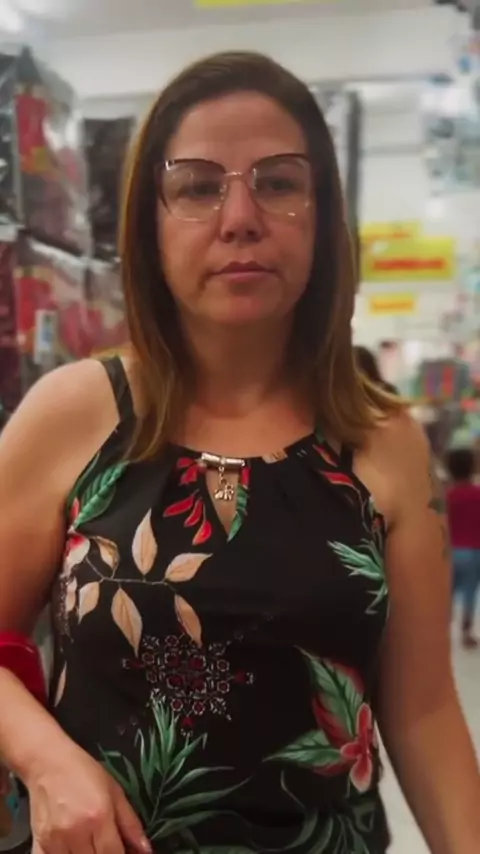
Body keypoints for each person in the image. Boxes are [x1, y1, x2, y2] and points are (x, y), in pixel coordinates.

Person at [0, 51, 478, 854]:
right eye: (197, 187)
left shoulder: (381, 441)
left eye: (279, 182)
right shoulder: (76, 415)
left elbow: (425, 713)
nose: (241, 217)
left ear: (323, 218)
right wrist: (44, 758)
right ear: (149, 225)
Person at [445, 447, 480, 649]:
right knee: (469, 593)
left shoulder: (447, 495)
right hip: (474, 550)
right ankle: (466, 632)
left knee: (446, 593)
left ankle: (442, 629)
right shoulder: (477, 494)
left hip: (451, 551)